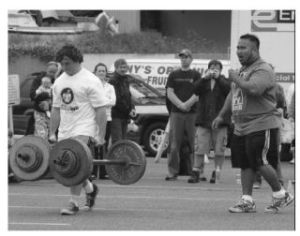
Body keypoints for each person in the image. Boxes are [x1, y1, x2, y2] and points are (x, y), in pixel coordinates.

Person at [212, 34, 294, 213]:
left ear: (255, 50)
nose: (239, 51)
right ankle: (247, 201)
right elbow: (233, 94)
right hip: (241, 125)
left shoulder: (263, 69)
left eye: (243, 48)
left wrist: (234, 78)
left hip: (261, 122)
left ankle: (281, 194)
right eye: (238, 47)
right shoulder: (242, 70)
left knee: (259, 161)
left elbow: (254, 89)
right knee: (245, 163)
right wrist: (221, 115)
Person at [49, 44, 108, 215]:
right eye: (62, 63)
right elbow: (55, 109)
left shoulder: (91, 80)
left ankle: (73, 203)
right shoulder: (59, 81)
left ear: (77, 60)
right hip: (66, 130)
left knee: (74, 160)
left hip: (84, 128)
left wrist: (101, 135)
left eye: (67, 63)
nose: (64, 67)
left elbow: (101, 109)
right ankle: (90, 189)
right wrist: (52, 133)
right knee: (68, 166)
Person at [188, 60, 231, 184]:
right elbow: (195, 90)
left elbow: (229, 91)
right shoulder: (204, 81)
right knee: (200, 147)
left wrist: (218, 78)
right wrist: (203, 78)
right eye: (211, 68)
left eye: (216, 68)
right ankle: (196, 171)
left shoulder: (225, 81)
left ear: (221, 70)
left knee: (219, 149)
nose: (214, 70)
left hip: (220, 121)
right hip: (203, 120)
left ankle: (216, 172)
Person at [165, 49, 200, 181]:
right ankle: (173, 172)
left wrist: (187, 105)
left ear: (191, 59)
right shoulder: (173, 75)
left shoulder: (196, 75)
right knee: (174, 144)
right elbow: (170, 92)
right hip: (176, 113)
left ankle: (195, 171)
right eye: (182, 57)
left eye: (186, 57)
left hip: (192, 114)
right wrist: (180, 105)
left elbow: (198, 93)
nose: (184, 59)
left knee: (194, 143)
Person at [93, 62, 116, 179]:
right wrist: (104, 101)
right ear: (95, 73)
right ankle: (92, 171)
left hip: (107, 119)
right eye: (99, 71)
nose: (101, 73)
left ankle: (102, 172)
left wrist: (100, 102)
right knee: (93, 145)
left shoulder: (110, 87)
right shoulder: (91, 87)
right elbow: (91, 102)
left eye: (103, 71)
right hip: (93, 119)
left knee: (103, 144)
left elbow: (113, 102)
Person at [109, 58, 136, 144]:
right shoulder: (113, 81)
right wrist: (128, 110)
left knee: (124, 140)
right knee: (117, 140)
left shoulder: (126, 79)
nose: (123, 69)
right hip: (116, 115)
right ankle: (114, 157)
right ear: (116, 68)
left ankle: (121, 157)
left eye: (125, 67)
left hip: (125, 115)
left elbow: (129, 95)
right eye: (121, 67)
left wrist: (132, 108)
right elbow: (116, 99)